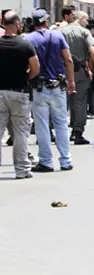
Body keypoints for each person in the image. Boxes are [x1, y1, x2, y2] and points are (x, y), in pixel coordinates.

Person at [24, 9, 75, 173]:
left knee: (42, 125)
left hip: (39, 87)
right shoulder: (57, 36)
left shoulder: (28, 39)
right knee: (61, 123)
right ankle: (66, 161)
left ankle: (46, 161)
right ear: (46, 21)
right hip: (58, 85)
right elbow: (68, 59)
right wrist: (72, 81)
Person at [0, 11, 40, 179]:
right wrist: (26, 76)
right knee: (20, 134)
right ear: (17, 24)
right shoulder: (25, 46)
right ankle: (22, 169)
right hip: (20, 92)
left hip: (0, 93)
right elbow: (35, 68)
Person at [61, 10, 94, 145]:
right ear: (80, 19)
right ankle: (77, 132)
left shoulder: (61, 32)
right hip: (80, 70)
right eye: (86, 20)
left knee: (63, 102)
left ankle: (59, 131)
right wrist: (91, 68)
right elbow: (93, 51)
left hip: (64, 69)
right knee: (80, 102)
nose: (87, 22)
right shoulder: (84, 33)